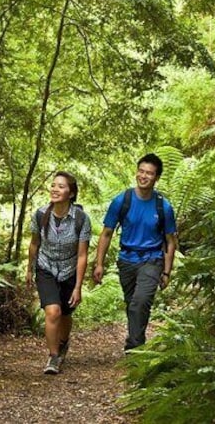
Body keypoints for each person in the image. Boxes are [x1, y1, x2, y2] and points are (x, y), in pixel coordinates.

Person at [92, 153, 177, 351]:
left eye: (149, 173)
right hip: (126, 260)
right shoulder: (122, 201)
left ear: (157, 178)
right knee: (132, 303)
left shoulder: (163, 206)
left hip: (152, 259)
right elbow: (106, 233)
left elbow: (171, 241)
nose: (144, 176)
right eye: (141, 171)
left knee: (140, 302)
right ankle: (136, 339)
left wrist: (166, 271)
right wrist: (99, 264)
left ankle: (135, 348)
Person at [26, 171, 91, 375]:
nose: (55, 189)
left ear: (71, 193)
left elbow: (82, 255)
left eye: (61, 186)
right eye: (53, 185)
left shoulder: (81, 218)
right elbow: (34, 243)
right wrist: (29, 269)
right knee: (53, 311)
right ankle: (53, 357)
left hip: (70, 270)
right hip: (46, 267)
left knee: (65, 313)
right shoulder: (40, 214)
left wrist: (78, 287)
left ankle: (63, 343)